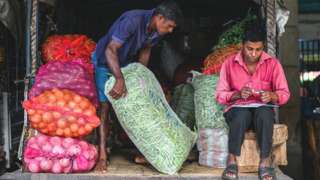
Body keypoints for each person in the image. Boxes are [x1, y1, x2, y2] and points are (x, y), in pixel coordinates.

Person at [92, 0, 183, 171]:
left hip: (126, 63)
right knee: (104, 107)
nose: (171, 31)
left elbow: (146, 49)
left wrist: (140, 75)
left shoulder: (157, 31)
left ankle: (145, 152)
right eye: (170, 26)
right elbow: (110, 50)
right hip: (105, 62)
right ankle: (102, 156)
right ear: (159, 18)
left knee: (137, 105)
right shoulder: (132, 20)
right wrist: (119, 78)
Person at [216, 23, 290, 180]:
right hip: (237, 112)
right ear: (242, 45)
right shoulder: (229, 64)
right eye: (249, 48)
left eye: (258, 49)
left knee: (264, 113)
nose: (253, 54)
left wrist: (272, 96)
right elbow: (220, 96)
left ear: (263, 47)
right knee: (241, 115)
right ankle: (232, 160)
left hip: (261, 113)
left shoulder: (273, 64)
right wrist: (237, 94)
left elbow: (284, 94)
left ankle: (265, 162)